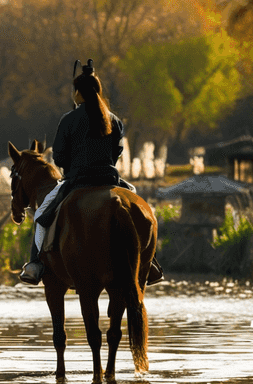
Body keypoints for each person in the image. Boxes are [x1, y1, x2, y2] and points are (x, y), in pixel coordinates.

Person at [19, 59, 163, 286]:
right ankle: (151, 262)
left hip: (77, 181)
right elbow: (117, 152)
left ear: (78, 93)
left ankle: (35, 263)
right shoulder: (114, 120)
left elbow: (59, 157)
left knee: (40, 216)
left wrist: (71, 165)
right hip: (110, 178)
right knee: (136, 202)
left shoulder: (68, 120)